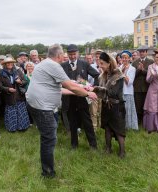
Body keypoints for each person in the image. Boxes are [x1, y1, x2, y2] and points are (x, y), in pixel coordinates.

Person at [26, 44, 97, 178]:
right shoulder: (54, 66)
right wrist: (88, 94)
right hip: (43, 108)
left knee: (47, 137)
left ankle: (47, 166)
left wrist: (81, 90)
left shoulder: (43, 64)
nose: (63, 58)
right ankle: (48, 173)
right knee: (49, 139)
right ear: (59, 56)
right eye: (63, 55)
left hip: (35, 104)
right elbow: (70, 85)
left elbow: (61, 88)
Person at [61, 44, 99, 149]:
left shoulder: (84, 64)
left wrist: (93, 88)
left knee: (87, 122)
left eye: (74, 54)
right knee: (72, 122)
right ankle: (74, 145)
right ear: (67, 54)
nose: (72, 56)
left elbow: (97, 75)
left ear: (77, 53)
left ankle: (93, 145)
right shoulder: (62, 66)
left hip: (83, 98)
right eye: (70, 54)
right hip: (69, 99)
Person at [90, 52, 126, 157]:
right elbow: (100, 88)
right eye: (99, 63)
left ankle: (122, 152)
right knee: (107, 128)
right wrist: (90, 87)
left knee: (118, 130)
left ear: (109, 63)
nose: (100, 66)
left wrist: (96, 89)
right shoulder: (104, 75)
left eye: (102, 63)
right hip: (106, 105)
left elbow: (113, 93)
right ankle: (108, 148)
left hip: (116, 107)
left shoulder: (118, 75)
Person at [0, 57, 30, 132]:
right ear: (5, 64)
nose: (9, 64)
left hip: (19, 95)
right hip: (8, 96)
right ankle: (12, 128)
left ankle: (22, 127)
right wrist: (8, 89)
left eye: (11, 62)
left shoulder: (18, 71)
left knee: (21, 112)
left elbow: (25, 81)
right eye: (7, 63)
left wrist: (20, 82)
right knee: (11, 112)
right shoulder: (1, 72)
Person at [132, 45, 154, 125]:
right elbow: (132, 75)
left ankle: (146, 121)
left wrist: (143, 70)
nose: (141, 53)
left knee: (146, 105)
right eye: (140, 52)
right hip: (137, 87)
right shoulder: (134, 62)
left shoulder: (151, 62)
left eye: (143, 52)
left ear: (146, 52)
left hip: (147, 87)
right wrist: (138, 70)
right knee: (138, 105)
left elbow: (152, 74)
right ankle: (139, 121)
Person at [120, 50, 138, 130]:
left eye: (126, 58)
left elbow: (129, 82)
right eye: (123, 58)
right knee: (121, 110)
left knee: (128, 109)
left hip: (128, 92)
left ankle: (129, 126)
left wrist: (123, 74)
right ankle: (121, 125)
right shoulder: (119, 67)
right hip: (120, 91)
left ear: (129, 59)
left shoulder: (132, 69)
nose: (124, 59)